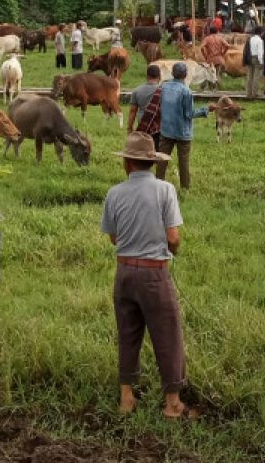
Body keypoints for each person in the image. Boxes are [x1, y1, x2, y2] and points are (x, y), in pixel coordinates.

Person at [101, 132, 192, 419]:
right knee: (167, 334)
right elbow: (173, 238)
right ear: (151, 162)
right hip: (155, 274)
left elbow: (114, 238)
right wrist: (171, 250)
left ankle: (126, 397)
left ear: (127, 163)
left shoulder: (114, 193)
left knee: (128, 333)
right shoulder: (165, 190)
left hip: (125, 272)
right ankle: (172, 402)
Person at [156, 62, 211, 190]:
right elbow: (189, 113)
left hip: (166, 130)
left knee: (162, 160)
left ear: (172, 73)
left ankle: (157, 185)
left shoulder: (164, 87)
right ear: (185, 75)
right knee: (183, 162)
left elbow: (159, 107)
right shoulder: (186, 91)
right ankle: (185, 188)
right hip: (182, 132)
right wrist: (206, 109)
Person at [127, 65, 163, 136]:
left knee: (144, 146)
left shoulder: (137, 90)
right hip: (158, 126)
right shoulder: (163, 90)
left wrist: (130, 128)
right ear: (159, 76)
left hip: (143, 124)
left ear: (147, 76)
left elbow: (133, 111)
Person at [243, 26, 264, 98]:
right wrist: (261, 62)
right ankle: (254, 93)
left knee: (249, 76)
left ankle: (248, 93)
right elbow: (260, 52)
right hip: (256, 58)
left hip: (249, 58)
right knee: (256, 77)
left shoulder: (250, 39)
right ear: (261, 32)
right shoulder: (260, 40)